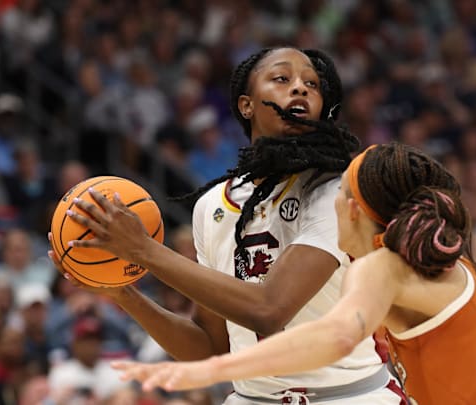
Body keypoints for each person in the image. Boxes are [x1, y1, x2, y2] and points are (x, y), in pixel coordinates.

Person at [49, 47, 406, 404]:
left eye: (311, 84)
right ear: (246, 105)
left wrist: (144, 250)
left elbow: (269, 309)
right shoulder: (211, 207)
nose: (300, 88)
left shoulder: (337, 192)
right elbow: (212, 350)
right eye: (282, 78)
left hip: (348, 396)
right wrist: (122, 294)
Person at [111, 143, 476, 405]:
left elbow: (327, 337)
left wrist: (217, 370)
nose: (329, 203)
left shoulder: (386, 267)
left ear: (356, 210)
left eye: (338, 194)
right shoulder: (431, 261)